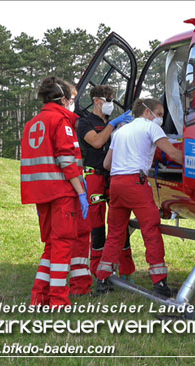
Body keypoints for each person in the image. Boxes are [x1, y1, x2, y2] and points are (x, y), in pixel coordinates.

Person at [95, 98, 183, 297]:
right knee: (150, 230)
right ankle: (160, 283)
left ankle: (102, 278)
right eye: (159, 114)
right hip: (136, 184)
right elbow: (172, 153)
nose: (160, 119)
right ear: (147, 112)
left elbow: (107, 164)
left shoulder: (119, 132)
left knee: (116, 232)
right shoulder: (151, 128)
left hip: (116, 184)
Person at [21, 76, 92, 306]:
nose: (73, 103)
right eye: (72, 99)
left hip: (41, 193)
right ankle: (58, 300)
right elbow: (67, 160)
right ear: (63, 99)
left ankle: (38, 296)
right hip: (62, 192)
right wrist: (81, 191)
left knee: (51, 245)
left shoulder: (33, 123)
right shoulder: (61, 121)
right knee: (62, 245)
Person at [76, 85, 135, 284]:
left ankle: (126, 269)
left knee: (120, 223)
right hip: (95, 176)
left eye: (112, 99)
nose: (111, 103)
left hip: (115, 176)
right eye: (108, 100)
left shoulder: (112, 124)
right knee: (97, 224)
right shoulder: (85, 123)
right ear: (96, 101)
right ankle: (98, 271)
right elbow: (97, 142)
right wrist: (114, 125)